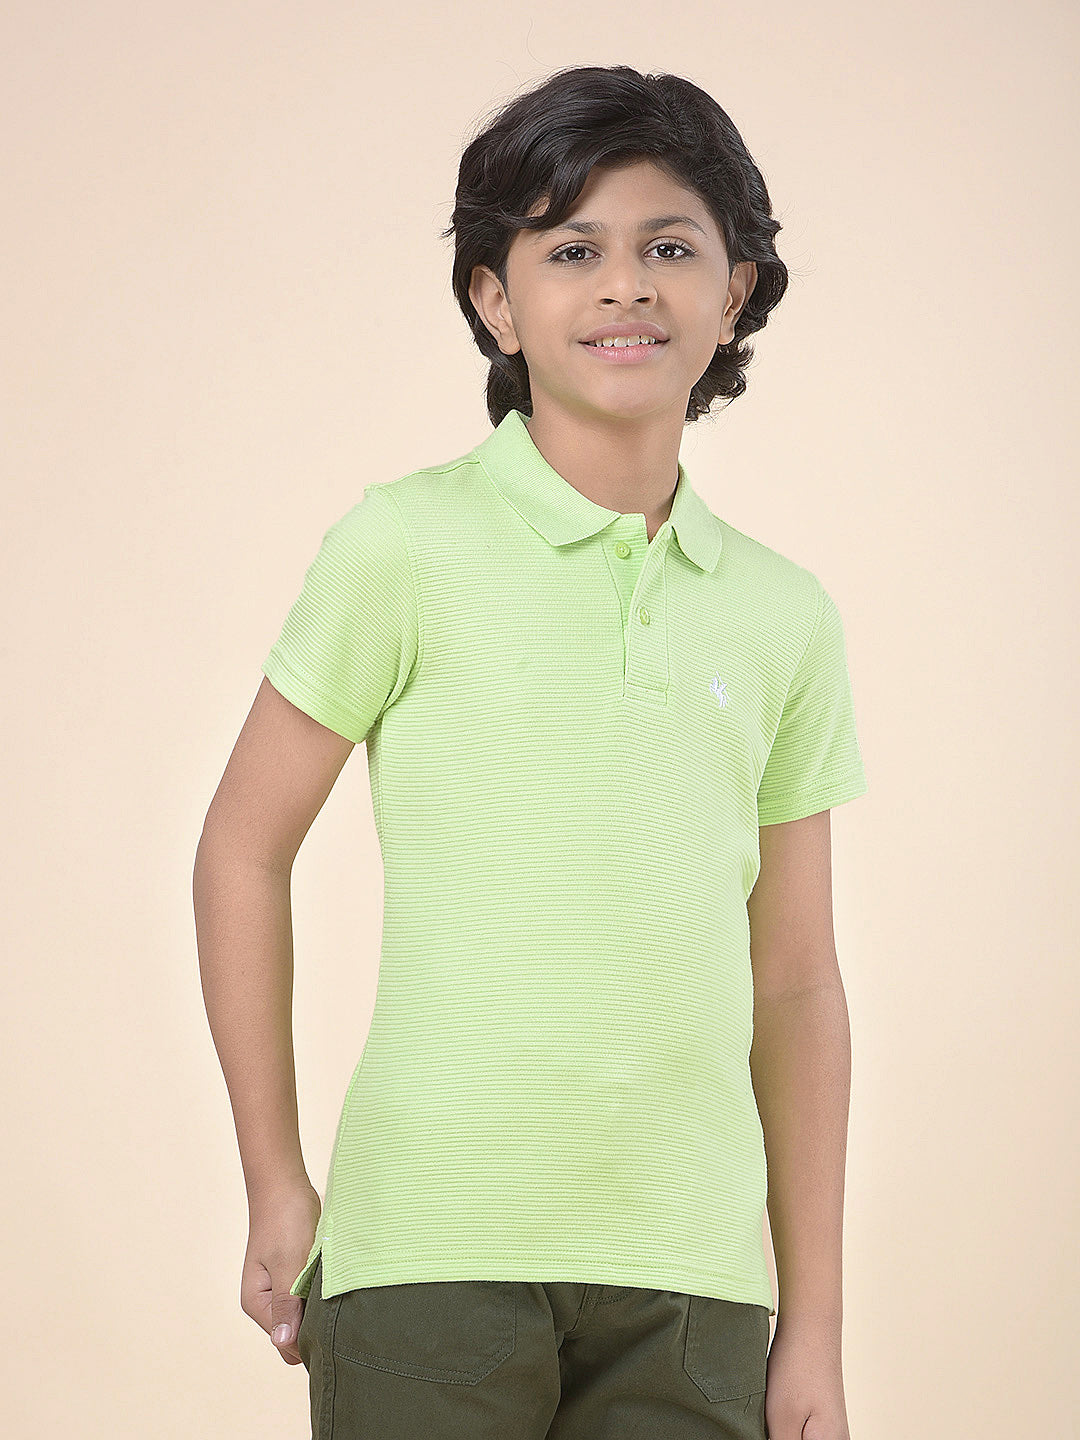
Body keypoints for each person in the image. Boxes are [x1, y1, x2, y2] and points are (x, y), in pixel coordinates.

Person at [194, 62, 868, 1440]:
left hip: (695, 1283)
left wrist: (814, 1327)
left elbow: (797, 981)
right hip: (428, 1256)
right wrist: (276, 1177)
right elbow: (240, 853)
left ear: (735, 290)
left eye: (669, 248)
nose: (625, 286)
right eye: (571, 250)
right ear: (496, 302)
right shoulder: (403, 547)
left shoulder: (783, 614)